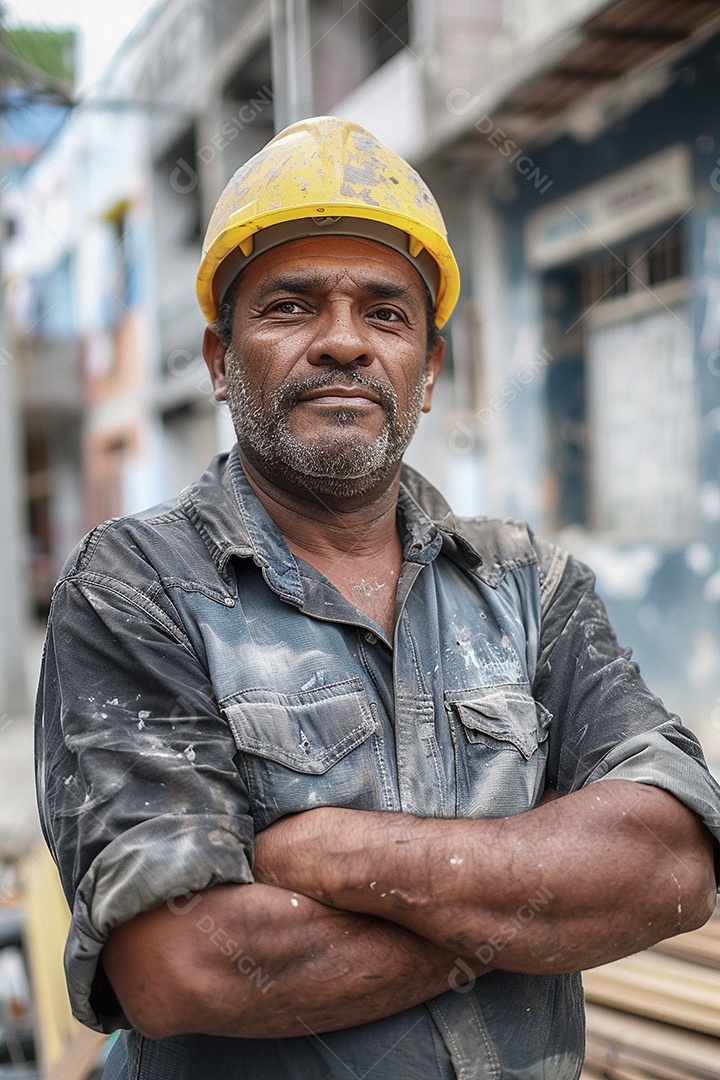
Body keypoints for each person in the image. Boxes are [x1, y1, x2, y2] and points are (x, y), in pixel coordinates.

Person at [36, 116, 720, 1080]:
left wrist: (335, 853)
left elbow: (674, 866)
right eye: (291, 307)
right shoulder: (135, 591)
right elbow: (182, 964)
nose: (345, 344)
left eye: (387, 314)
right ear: (219, 362)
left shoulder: (531, 585)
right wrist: (538, 912)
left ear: (430, 370)